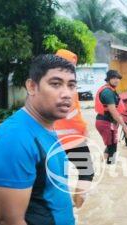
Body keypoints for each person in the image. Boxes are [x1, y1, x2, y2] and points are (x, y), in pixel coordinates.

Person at [0, 54, 76, 224]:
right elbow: (10, 221)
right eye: (56, 84)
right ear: (32, 86)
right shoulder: (14, 141)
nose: (67, 94)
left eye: (71, 85)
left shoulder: (46, 127)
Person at [53, 49, 94, 208]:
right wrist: (84, 130)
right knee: (87, 172)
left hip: (53, 139)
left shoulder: (48, 84)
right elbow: (73, 114)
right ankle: (77, 210)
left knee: (57, 176)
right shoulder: (68, 87)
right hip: (72, 138)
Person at [94, 70, 127, 164]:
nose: (117, 80)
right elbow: (114, 112)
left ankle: (100, 164)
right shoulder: (107, 92)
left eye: (118, 78)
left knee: (111, 144)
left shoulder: (110, 90)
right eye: (114, 78)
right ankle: (110, 168)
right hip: (106, 122)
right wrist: (125, 126)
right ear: (108, 79)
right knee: (112, 147)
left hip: (106, 122)